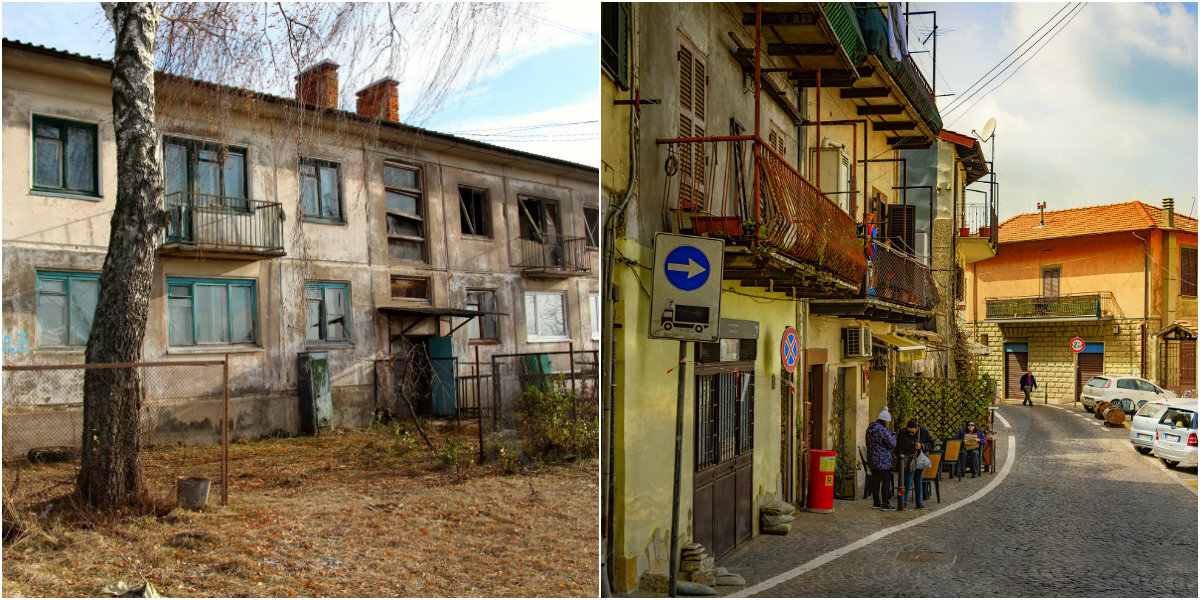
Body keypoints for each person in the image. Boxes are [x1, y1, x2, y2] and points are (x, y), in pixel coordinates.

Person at [894, 419, 935, 510]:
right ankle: (903, 503)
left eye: (913, 432)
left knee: (918, 481)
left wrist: (922, 446)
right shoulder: (903, 432)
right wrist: (903, 456)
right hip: (908, 460)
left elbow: (932, 444)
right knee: (908, 481)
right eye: (909, 432)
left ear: (917, 428)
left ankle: (918, 503)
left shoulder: (924, 431)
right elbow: (897, 446)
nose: (911, 434)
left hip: (919, 459)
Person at [865, 408, 897, 510]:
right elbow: (892, 444)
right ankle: (885, 503)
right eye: (888, 422)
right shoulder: (883, 430)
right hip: (884, 461)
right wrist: (894, 437)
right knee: (885, 482)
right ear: (885, 421)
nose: (888, 424)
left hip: (873, 460)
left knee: (875, 482)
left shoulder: (870, 429)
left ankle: (876, 502)